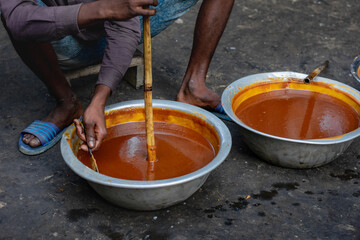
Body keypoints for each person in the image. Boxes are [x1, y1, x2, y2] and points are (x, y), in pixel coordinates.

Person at [0, 0, 234, 155]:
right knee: (19, 14)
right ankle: (66, 103)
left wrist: (99, 100)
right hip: (61, 41)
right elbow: (18, 20)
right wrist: (107, 8)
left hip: (130, 26)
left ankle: (194, 86)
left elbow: (126, 23)